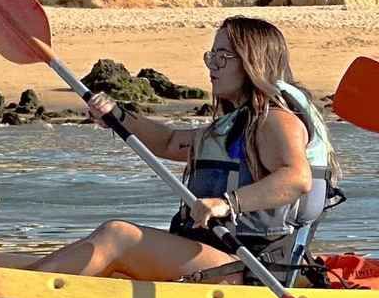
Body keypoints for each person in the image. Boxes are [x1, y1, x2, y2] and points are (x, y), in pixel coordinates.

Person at [32, 17, 334, 281]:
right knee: (110, 253)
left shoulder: (276, 120)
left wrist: (227, 203)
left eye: (222, 57)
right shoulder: (239, 121)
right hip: (218, 255)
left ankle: (19, 288)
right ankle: (21, 277)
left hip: (252, 267)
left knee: (117, 236)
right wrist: (117, 116)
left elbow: (296, 179)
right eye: (211, 56)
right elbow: (170, 142)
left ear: (251, 62)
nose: (212, 66)